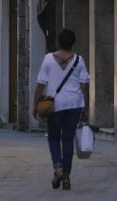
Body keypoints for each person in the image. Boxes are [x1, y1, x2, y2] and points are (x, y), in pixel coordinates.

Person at [32, 28, 90, 190]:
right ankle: (66, 176)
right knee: (68, 139)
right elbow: (85, 85)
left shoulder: (48, 59)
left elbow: (40, 84)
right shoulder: (79, 60)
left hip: (54, 105)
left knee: (53, 137)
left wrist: (35, 103)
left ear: (59, 42)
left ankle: (58, 168)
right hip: (74, 105)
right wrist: (86, 106)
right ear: (72, 43)